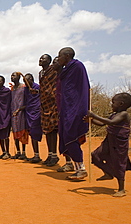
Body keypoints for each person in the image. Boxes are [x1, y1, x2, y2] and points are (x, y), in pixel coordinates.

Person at [87, 93, 131, 197]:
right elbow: (102, 123)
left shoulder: (123, 114)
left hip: (119, 143)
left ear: (121, 104)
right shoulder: (114, 114)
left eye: (113, 102)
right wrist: (90, 121)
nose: (111, 105)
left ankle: (121, 189)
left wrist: (94, 115)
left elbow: (111, 123)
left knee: (119, 162)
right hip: (109, 140)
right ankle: (108, 173)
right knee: (96, 155)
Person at [57, 47, 90, 180]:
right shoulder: (65, 71)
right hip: (66, 108)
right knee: (66, 136)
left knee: (71, 136)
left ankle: (81, 169)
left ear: (67, 56)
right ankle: (76, 168)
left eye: (60, 56)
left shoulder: (77, 66)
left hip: (75, 108)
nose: (58, 59)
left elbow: (78, 89)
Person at [38, 54, 60, 166]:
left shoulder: (53, 71)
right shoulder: (41, 73)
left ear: (49, 61)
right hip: (44, 104)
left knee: (53, 130)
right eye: (40, 58)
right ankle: (50, 154)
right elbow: (43, 88)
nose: (40, 60)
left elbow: (54, 87)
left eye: (43, 58)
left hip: (53, 104)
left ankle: (55, 155)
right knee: (47, 131)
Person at [24, 73, 42, 163]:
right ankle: (36, 155)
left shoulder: (38, 87)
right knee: (31, 134)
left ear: (31, 79)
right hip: (29, 113)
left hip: (37, 113)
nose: (25, 84)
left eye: (26, 81)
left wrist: (37, 92)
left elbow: (44, 94)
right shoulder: (26, 89)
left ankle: (50, 154)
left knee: (36, 133)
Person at [10, 72, 28, 160]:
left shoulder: (24, 88)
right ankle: (18, 152)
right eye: (11, 76)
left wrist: (20, 109)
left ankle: (24, 152)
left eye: (14, 75)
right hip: (13, 113)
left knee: (23, 132)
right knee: (15, 132)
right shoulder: (12, 89)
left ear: (19, 77)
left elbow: (27, 100)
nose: (12, 77)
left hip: (22, 112)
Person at [0, 75, 11, 160]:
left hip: (6, 115)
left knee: (6, 135)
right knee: (0, 135)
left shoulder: (7, 91)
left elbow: (9, 103)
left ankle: (8, 152)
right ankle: (3, 152)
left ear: (3, 82)